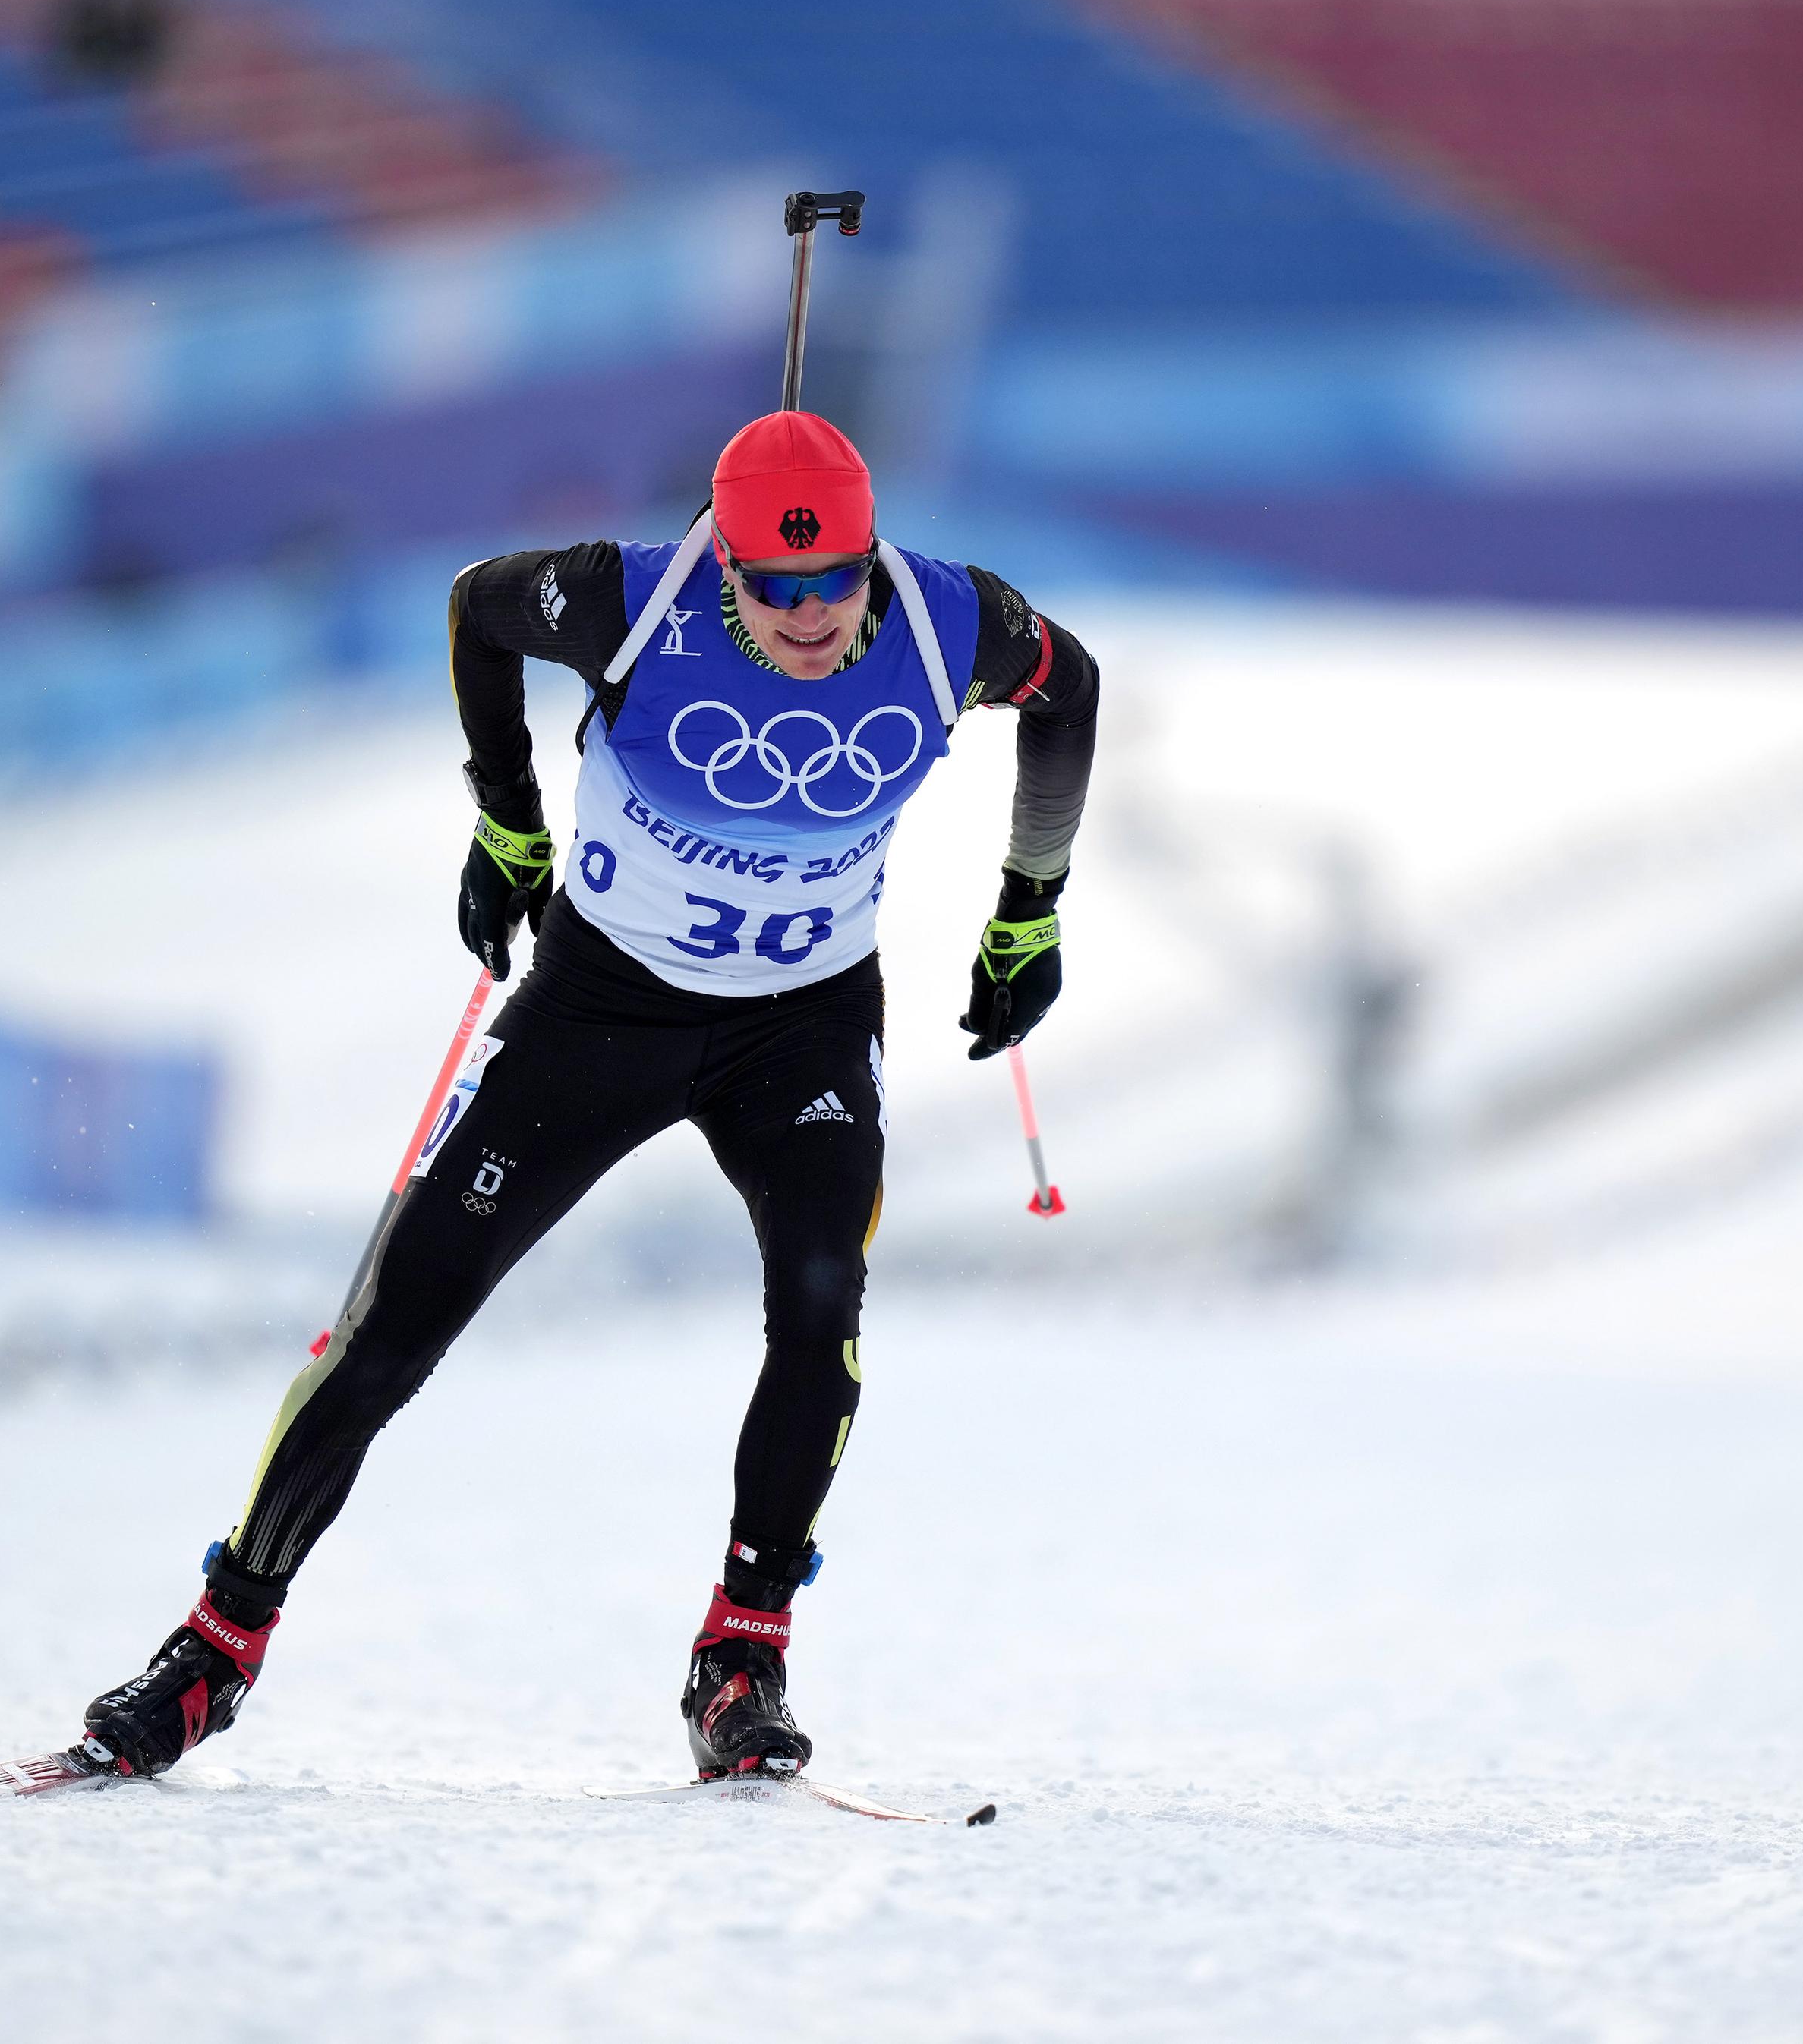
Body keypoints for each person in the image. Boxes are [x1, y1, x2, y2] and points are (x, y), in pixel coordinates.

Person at [74, 410, 1099, 1783]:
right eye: (772, 584)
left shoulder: (949, 623)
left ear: (872, 553)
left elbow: (1070, 689)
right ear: (724, 560)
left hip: (797, 1034)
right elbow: (475, 614)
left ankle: (742, 1656)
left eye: (833, 578)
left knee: (818, 1312)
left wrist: (1029, 909)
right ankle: (213, 1649)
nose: (807, 613)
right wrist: (507, 819)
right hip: (593, 1016)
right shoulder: (635, 595)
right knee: (393, 1328)